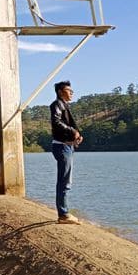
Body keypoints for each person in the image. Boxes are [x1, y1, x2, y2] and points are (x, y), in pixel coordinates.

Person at [50, 80, 83, 224]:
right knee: (64, 181)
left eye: (71, 90)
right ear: (60, 92)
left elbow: (67, 124)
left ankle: (64, 212)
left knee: (65, 180)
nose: (71, 93)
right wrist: (72, 131)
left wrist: (76, 135)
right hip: (62, 147)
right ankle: (63, 214)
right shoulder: (57, 104)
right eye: (69, 90)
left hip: (67, 146)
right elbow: (56, 122)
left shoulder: (64, 106)